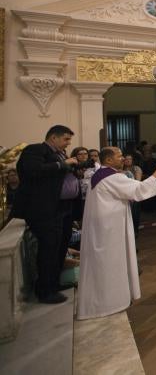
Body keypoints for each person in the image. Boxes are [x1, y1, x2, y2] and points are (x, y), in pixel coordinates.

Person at [77, 148, 156, 319]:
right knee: (111, 265)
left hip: (102, 228)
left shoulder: (99, 174)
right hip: (109, 231)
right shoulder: (111, 177)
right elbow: (140, 189)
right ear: (109, 160)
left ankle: (102, 301)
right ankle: (109, 303)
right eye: (119, 156)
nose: (122, 159)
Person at [16, 125, 83, 304]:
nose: (68, 143)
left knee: (60, 247)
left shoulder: (61, 154)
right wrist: (63, 164)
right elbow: (33, 171)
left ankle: (54, 283)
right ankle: (45, 290)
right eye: (66, 139)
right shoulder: (35, 150)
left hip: (63, 208)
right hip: (45, 209)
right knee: (49, 249)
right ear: (53, 137)